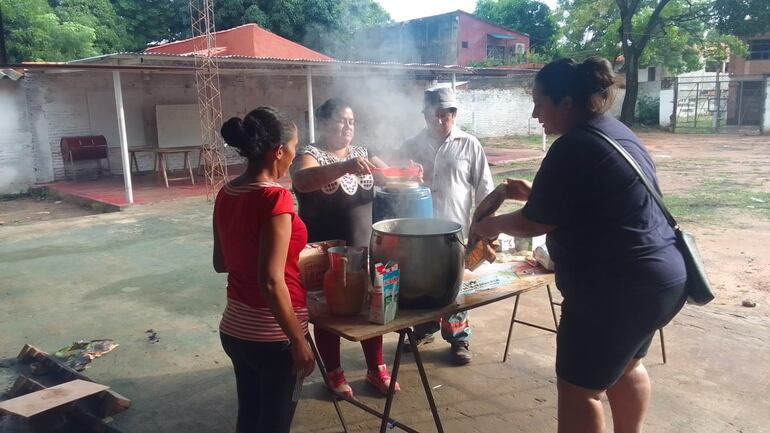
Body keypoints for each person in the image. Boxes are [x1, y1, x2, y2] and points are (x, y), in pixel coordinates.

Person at [473, 57, 688, 433]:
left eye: (540, 102)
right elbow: (601, 200)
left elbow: (535, 221)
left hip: (613, 291)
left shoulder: (572, 146)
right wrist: (538, 194)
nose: (534, 112)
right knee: (627, 367)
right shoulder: (615, 132)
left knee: (580, 392)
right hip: (661, 279)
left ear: (567, 103)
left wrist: (487, 225)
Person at [213, 107, 315, 433]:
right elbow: (271, 282)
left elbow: (221, 263)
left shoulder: (226, 192)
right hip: (272, 337)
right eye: (294, 151)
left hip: (234, 329)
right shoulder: (276, 198)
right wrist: (298, 341)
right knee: (273, 425)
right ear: (278, 151)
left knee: (250, 420)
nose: (293, 159)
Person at [290, 98, 399, 398]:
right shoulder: (309, 154)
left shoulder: (362, 153)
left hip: (364, 248)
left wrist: (409, 172)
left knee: (371, 306)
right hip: (326, 253)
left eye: (351, 121)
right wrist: (344, 166)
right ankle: (333, 371)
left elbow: (390, 174)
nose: (348, 126)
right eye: (341, 120)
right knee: (329, 310)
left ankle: (376, 367)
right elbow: (302, 180)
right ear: (324, 122)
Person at [401, 86, 495, 365]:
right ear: (425, 116)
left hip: (456, 229)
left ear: (454, 114)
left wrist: (484, 228)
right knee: (421, 281)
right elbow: (399, 185)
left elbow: (485, 189)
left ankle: (458, 338)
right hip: (420, 230)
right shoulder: (413, 146)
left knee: (454, 284)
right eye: (433, 115)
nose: (439, 120)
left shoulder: (469, 144)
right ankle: (424, 329)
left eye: (445, 114)